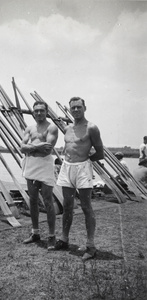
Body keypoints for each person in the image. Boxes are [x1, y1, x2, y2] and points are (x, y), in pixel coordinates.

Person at [55, 97, 104, 261]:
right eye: (73, 108)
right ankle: (64, 239)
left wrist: (85, 161)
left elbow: (100, 153)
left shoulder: (92, 128)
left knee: (86, 206)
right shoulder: (67, 128)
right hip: (66, 167)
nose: (75, 110)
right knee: (67, 205)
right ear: (69, 110)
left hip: (83, 167)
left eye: (78, 107)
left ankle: (91, 246)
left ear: (85, 108)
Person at [20, 101, 58, 250]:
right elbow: (22, 148)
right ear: (33, 112)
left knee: (48, 201)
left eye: (42, 110)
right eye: (36, 111)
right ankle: (35, 233)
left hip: (45, 166)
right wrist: (36, 147)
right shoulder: (29, 128)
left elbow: (47, 150)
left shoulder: (52, 128)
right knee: (33, 200)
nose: (39, 113)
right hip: (31, 166)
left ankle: (51, 236)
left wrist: (30, 149)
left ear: (47, 112)